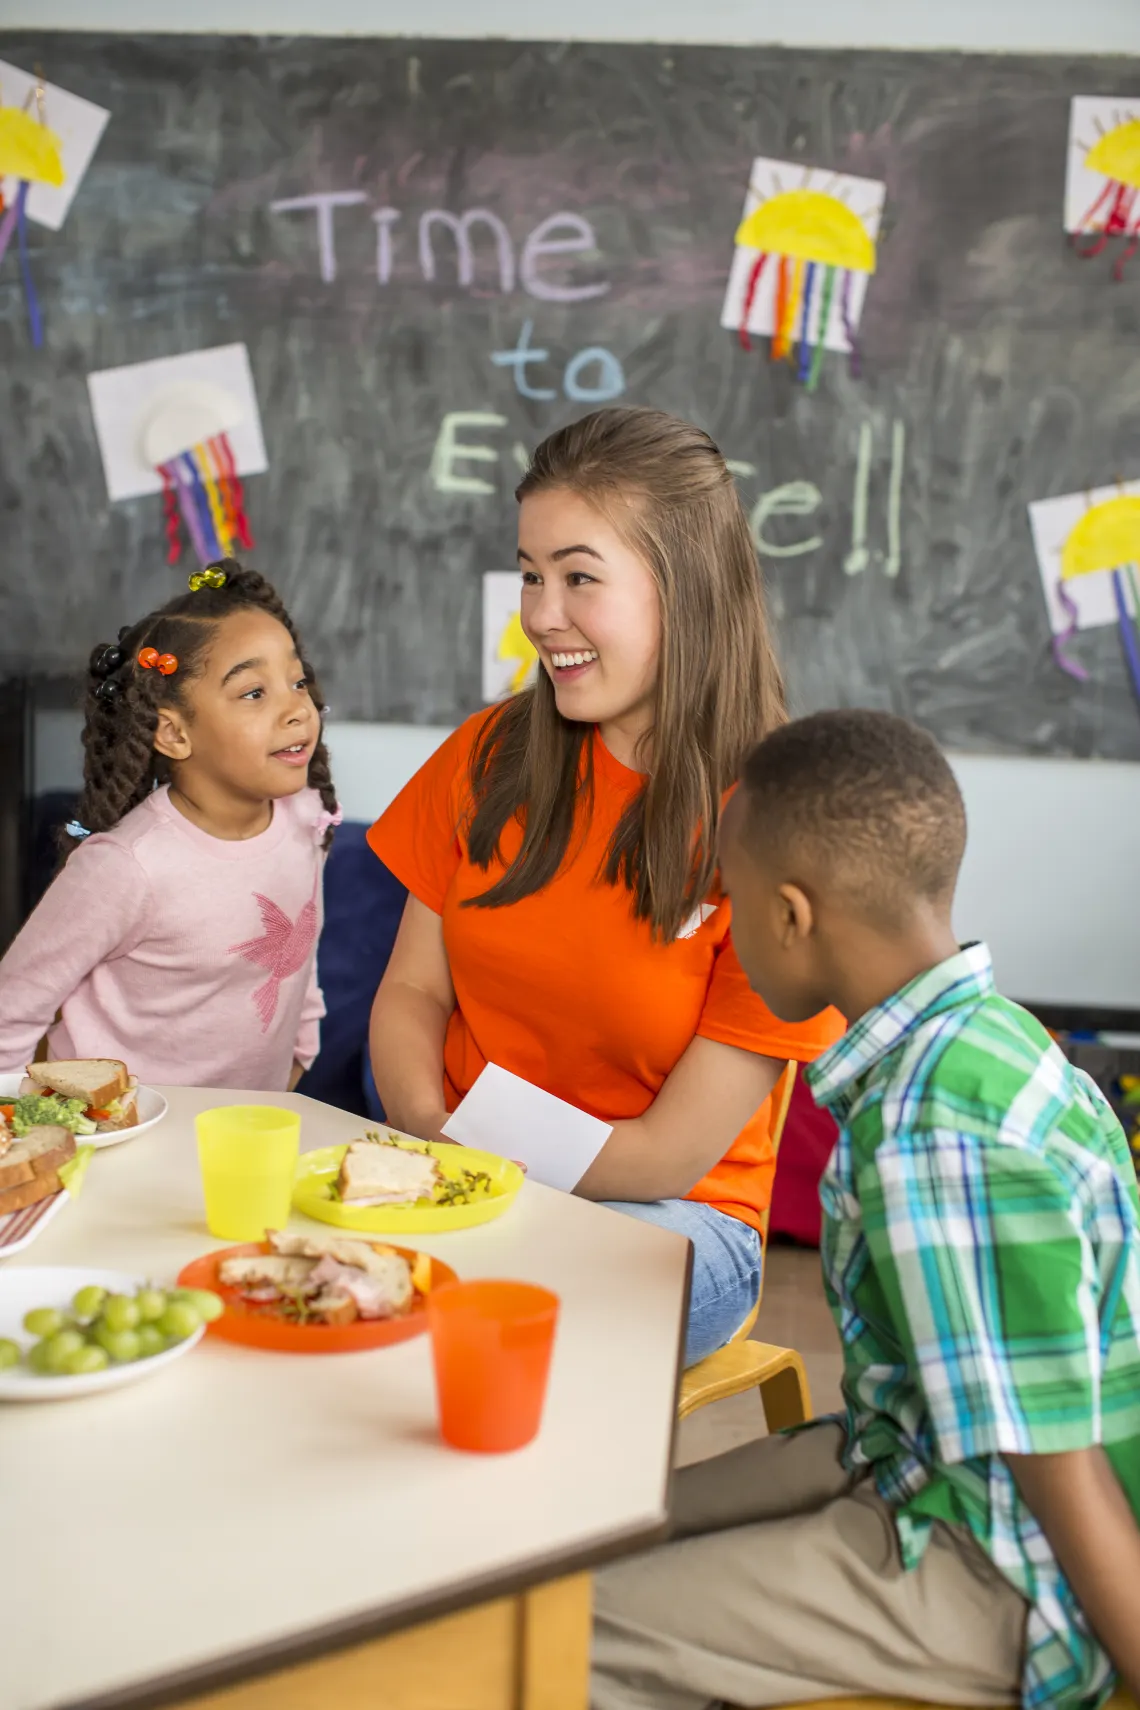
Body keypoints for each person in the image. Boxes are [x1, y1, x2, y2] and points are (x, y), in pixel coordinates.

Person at [591, 709, 1140, 1710]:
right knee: (579, 1534)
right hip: (916, 1459)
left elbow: (1051, 1462)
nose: (725, 927)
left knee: (566, 1627)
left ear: (793, 915)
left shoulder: (939, 1130)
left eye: (731, 903)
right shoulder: (989, 1038)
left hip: (1001, 1566)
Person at [368, 407, 842, 1365]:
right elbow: (413, 993)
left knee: (471, 1326)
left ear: (688, 587)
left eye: (580, 576)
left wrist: (487, 1181)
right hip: (454, 1172)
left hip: (668, 1216)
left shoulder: (784, 825)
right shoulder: (487, 755)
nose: (542, 614)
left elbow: (670, 1156)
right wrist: (431, 1139)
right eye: (532, 574)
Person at [0, 561, 339, 1092]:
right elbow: (11, 1010)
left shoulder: (304, 816)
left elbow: (300, 944)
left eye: (297, 680)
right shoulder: (126, 866)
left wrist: (302, 1047)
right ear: (173, 734)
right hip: (129, 1139)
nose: (298, 707)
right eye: (255, 692)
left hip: (245, 1127)